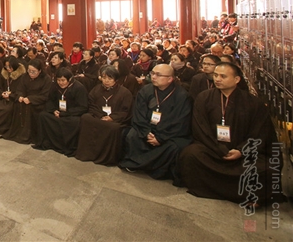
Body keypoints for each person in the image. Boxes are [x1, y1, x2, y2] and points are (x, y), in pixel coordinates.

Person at [177, 63, 282, 207]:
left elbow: (260, 132)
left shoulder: (253, 103)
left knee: (267, 167)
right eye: (215, 75)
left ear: (237, 79)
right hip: (213, 150)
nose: (217, 79)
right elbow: (200, 127)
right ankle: (209, 188)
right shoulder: (204, 97)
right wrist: (218, 148)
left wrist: (241, 150)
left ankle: (250, 195)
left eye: (223, 76)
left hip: (243, 154)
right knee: (190, 154)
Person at [119, 63, 192, 181]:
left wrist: (160, 137)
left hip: (169, 133)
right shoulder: (146, 90)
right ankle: (136, 162)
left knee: (175, 147)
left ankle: (152, 167)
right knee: (132, 135)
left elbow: (180, 121)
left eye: (158, 75)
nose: (153, 77)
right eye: (152, 73)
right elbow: (139, 113)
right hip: (147, 128)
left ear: (170, 79)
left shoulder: (182, 96)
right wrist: (146, 132)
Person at [75, 66, 134, 165]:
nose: (106, 81)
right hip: (98, 116)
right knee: (85, 118)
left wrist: (112, 117)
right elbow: (91, 104)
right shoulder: (96, 89)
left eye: (110, 78)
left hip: (114, 120)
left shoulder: (125, 93)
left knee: (114, 128)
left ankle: (106, 157)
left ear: (115, 79)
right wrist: (100, 115)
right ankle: (88, 153)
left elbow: (126, 111)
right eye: (104, 78)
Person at [32, 67, 88, 155]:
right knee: (43, 116)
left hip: (71, 114)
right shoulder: (55, 86)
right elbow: (50, 100)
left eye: (63, 80)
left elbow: (83, 107)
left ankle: (66, 146)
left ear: (69, 79)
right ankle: (47, 143)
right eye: (58, 80)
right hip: (57, 111)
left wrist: (65, 113)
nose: (60, 83)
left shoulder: (78, 88)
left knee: (74, 122)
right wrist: (54, 110)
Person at [1, 58, 53, 144]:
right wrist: (20, 96)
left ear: (40, 71)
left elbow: (45, 96)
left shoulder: (46, 79)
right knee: (17, 104)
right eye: (29, 71)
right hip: (24, 100)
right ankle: (18, 133)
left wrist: (31, 99)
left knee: (30, 108)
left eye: (34, 72)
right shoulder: (25, 77)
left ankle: (27, 135)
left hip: (38, 103)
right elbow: (20, 89)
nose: (31, 73)